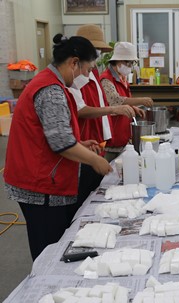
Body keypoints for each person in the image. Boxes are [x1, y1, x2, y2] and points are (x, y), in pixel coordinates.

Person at [3, 34, 113, 260]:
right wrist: (96, 160)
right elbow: (61, 143)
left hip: (40, 174)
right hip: (39, 183)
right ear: (74, 62)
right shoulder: (51, 90)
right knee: (48, 249)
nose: (87, 75)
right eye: (86, 69)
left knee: (53, 240)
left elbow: (50, 133)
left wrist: (80, 144)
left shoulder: (51, 83)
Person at [72, 24, 141, 208]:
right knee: (83, 195)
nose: (95, 56)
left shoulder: (91, 72)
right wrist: (114, 109)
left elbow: (99, 103)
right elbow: (81, 109)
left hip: (96, 141)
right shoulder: (78, 76)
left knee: (94, 191)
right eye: (93, 51)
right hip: (83, 144)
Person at [100, 41, 153, 161]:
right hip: (111, 140)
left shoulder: (122, 78)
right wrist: (141, 100)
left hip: (122, 137)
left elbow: (124, 100)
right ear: (117, 61)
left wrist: (134, 108)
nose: (129, 66)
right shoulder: (106, 80)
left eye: (131, 63)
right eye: (127, 62)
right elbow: (115, 101)